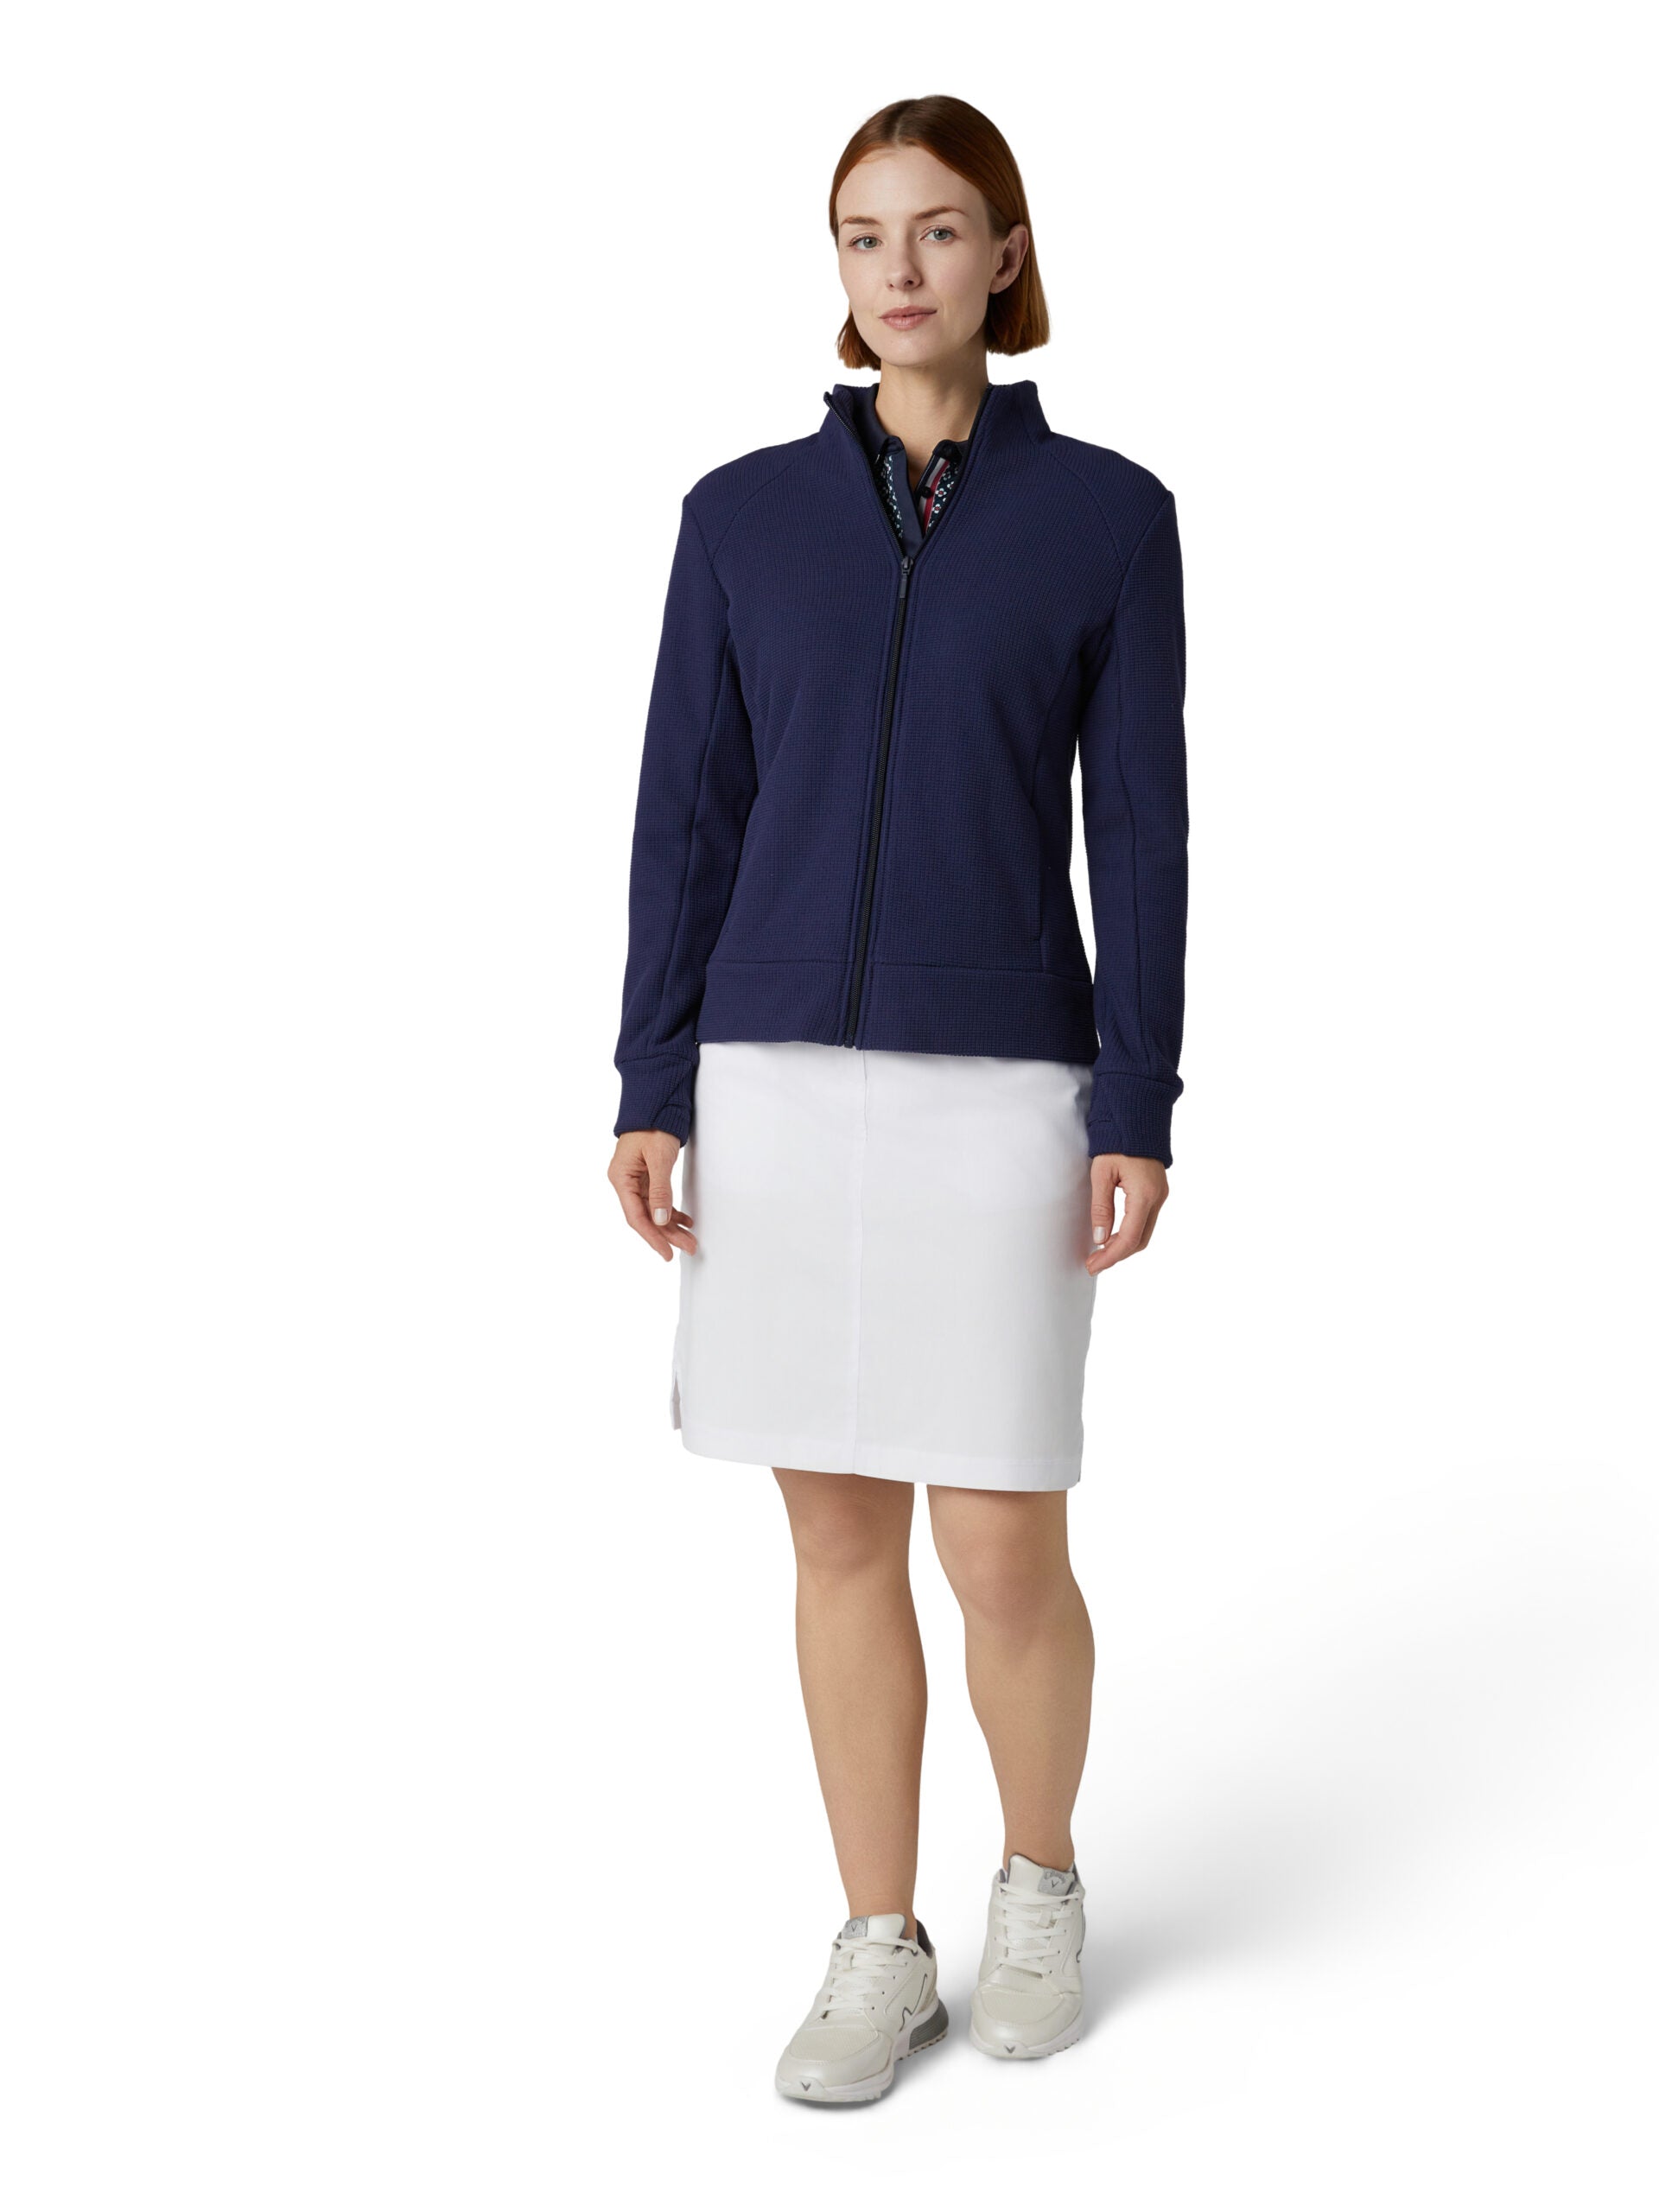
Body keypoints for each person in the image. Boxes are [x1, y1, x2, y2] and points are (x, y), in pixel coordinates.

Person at [607, 93, 1188, 2104]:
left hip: (1005, 1078)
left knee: (1005, 1537)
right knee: (835, 1534)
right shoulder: (739, 519)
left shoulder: (1107, 517)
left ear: (1005, 253)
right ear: (839, 270)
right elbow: (688, 815)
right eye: (865, 235)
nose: (902, 268)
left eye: (940, 230)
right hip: (773, 1078)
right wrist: (652, 1073)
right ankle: (880, 1936)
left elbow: (1145, 829)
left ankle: (1038, 1878)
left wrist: (1137, 1097)